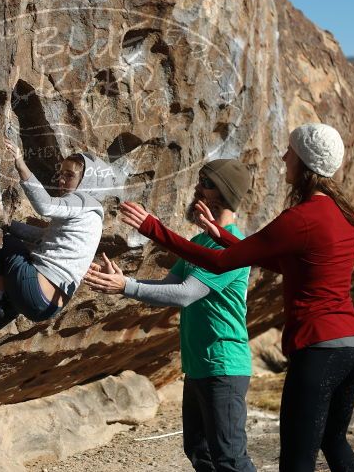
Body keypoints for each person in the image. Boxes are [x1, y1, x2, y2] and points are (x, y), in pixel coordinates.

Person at [119, 123, 354, 472]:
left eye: (290, 151)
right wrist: (225, 237)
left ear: (305, 163)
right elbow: (275, 261)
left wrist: (152, 228)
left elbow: (220, 263)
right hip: (353, 346)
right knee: (333, 441)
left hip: (319, 349)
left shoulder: (301, 218)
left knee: (296, 463)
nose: (283, 157)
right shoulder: (344, 214)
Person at [84, 159, 256, 472]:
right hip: (199, 366)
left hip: (224, 365)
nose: (197, 185)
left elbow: (187, 293)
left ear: (223, 193)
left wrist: (127, 286)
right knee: (200, 454)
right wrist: (123, 282)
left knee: (230, 460)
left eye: (205, 181)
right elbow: (169, 289)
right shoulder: (200, 241)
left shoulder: (232, 247)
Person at [0, 139, 108, 332]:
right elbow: (43, 236)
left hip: (34, 290)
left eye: (69, 175)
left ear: (86, 181)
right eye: (61, 174)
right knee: (24, 261)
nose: (61, 180)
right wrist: (8, 223)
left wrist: (20, 164)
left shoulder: (82, 200)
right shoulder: (94, 218)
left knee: (5, 242)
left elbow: (45, 206)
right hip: (48, 309)